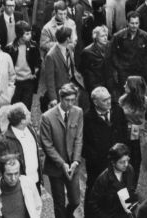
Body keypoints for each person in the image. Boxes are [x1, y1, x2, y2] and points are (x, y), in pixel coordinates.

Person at [39, 83, 84, 218]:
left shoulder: (78, 112)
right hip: (56, 167)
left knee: (75, 201)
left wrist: (75, 161)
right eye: (67, 100)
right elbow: (47, 145)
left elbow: (78, 138)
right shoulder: (47, 117)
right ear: (60, 98)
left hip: (72, 166)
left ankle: (68, 215)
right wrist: (61, 163)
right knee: (59, 202)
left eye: (73, 100)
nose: (70, 103)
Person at [0, 154, 44, 218]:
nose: (13, 178)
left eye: (16, 173)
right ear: (2, 173)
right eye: (9, 174)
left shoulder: (28, 183)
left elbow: (37, 205)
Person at [84, 143, 137, 218]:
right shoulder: (103, 179)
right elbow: (93, 203)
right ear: (113, 162)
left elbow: (131, 189)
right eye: (122, 162)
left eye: (127, 160)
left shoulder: (129, 170)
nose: (126, 164)